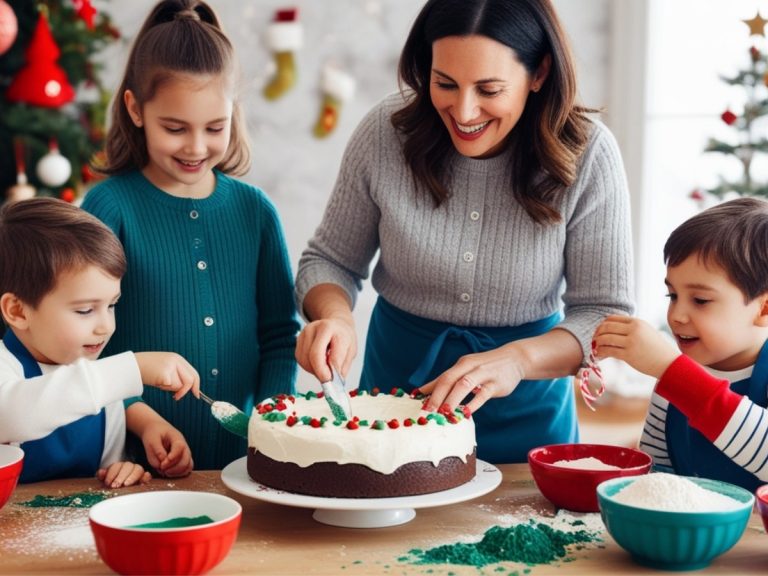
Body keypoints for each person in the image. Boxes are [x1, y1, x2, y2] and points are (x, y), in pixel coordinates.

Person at [294, 0, 633, 463]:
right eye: (445, 83)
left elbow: (604, 314)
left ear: (539, 73)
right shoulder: (385, 132)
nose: (464, 110)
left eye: (489, 89)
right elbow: (329, 260)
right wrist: (334, 317)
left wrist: (518, 360)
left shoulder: (590, 153)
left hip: (528, 421)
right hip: (395, 410)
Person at [81, 0, 299, 470]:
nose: (197, 147)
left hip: (244, 467)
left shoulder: (254, 211)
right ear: (136, 110)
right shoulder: (109, 208)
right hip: (133, 463)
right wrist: (142, 421)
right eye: (175, 128)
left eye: (214, 127)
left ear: (232, 113)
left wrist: (270, 421)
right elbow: (82, 349)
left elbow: (280, 336)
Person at [0, 197, 200, 487]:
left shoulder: (103, 385)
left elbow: (107, 471)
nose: (106, 326)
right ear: (18, 311)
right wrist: (134, 368)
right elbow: (13, 414)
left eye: (112, 305)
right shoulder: (8, 369)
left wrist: (124, 469)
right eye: (85, 310)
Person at [594, 197, 768, 492]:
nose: (677, 315)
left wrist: (673, 372)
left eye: (700, 300)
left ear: (764, 309)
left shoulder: (676, 375)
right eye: (672, 296)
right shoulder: (673, 383)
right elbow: (656, 479)